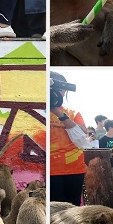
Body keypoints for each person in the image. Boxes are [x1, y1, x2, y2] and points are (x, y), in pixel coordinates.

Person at [49, 72, 90, 206]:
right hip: (51, 169)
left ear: (65, 90)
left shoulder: (73, 113)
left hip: (75, 168)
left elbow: (82, 134)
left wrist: (58, 112)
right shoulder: (39, 111)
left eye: (60, 89)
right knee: (54, 207)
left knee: (73, 206)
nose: (57, 92)